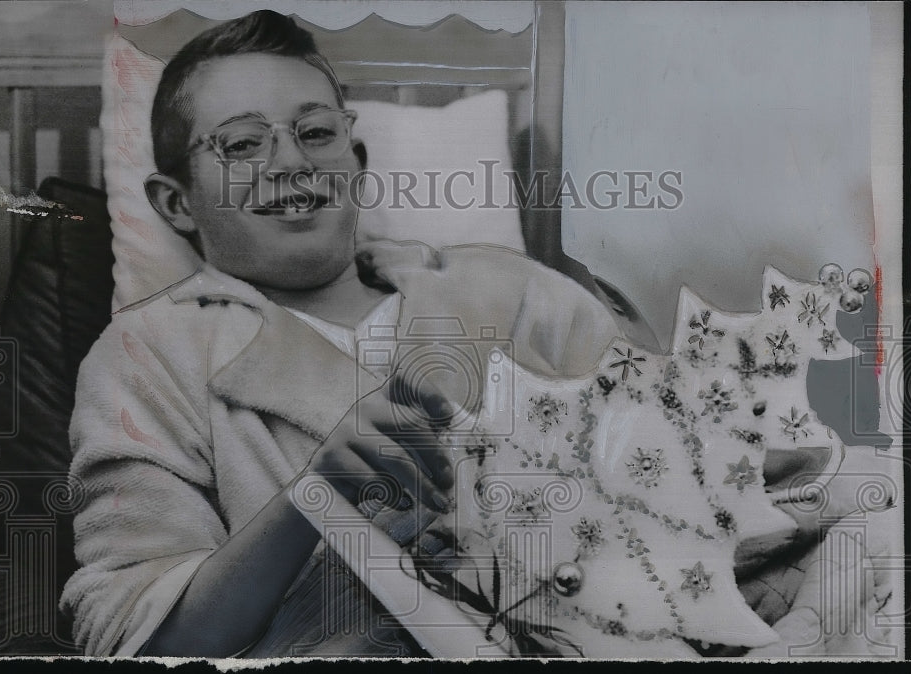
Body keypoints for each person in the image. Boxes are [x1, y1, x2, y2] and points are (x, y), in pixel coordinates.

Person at [60, 10, 623, 657]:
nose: (293, 162)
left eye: (317, 132)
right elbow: (135, 636)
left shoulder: (512, 292)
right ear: (176, 202)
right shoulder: (149, 354)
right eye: (242, 144)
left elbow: (679, 447)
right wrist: (311, 502)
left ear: (355, 161)